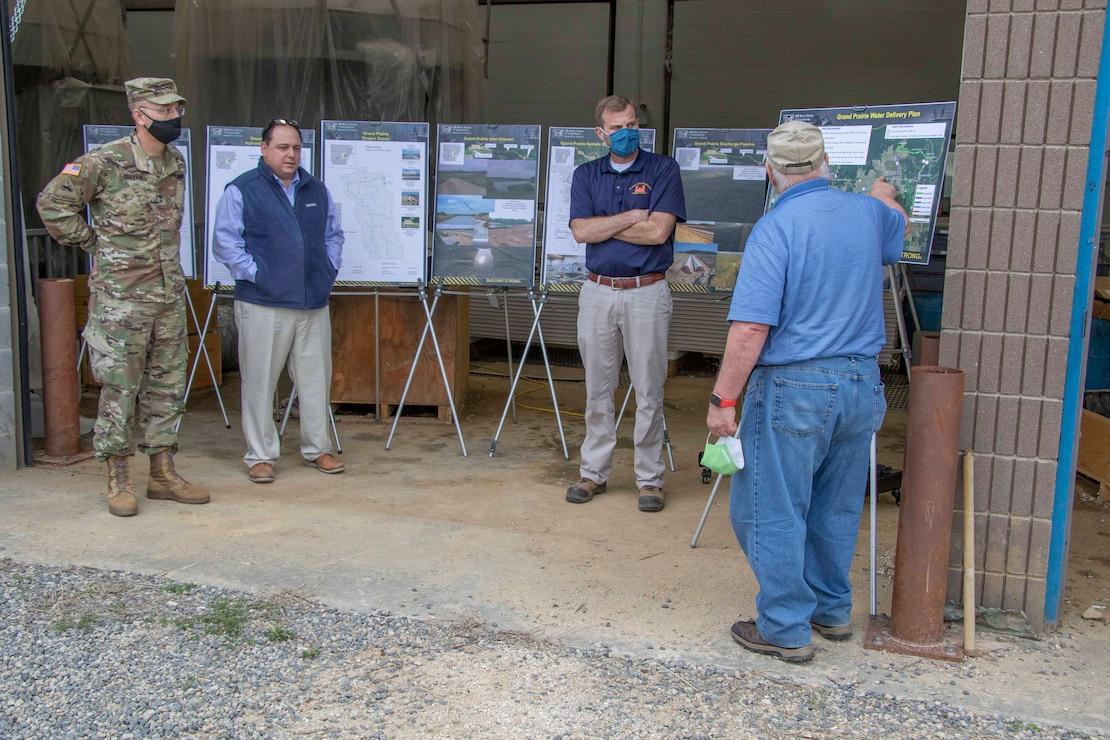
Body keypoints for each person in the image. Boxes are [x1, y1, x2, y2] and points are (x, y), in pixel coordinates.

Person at [706, 120, 908, 662]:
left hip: (795, 385)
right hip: (862, 383)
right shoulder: (869, 214)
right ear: (826, 165)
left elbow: (751, 328)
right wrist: (884, 196)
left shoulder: (776, 227)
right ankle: (831, 609)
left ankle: (783, 627)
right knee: (837, 503)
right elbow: (897, 227)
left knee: (767, 506)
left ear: (770, 172)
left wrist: (724, 401)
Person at [36, 77, 209, 517]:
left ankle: (162, 472)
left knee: (167, 386)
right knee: (120, 388)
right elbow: (52, 204)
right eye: (164, 110)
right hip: (122, 300)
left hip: (167, 295)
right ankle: (117, 476)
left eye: (176, 110)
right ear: (139, 113)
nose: (173, 118)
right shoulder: (103, 162)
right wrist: (95, 244)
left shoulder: (175, 162)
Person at [566, 95, 686, 513]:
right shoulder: (586, 174)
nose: (626, 132)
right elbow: (581, 231)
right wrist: (634, 216)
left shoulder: (662, 169)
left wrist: (606, 226)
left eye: (632, 123)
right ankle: (593, 473)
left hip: (647, 293)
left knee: (649, 390)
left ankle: (649, 479)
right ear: (601, 133)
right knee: (597, 390)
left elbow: (658, 234)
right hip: (597, 292)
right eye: (616, 128)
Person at [212, 119, 345, 483]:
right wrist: (259, 275)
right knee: (260, 381)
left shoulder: (315, 188)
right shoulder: (243, 189)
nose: (290, 154)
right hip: (264, 303)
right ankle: (260, 455)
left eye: (296, 148)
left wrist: (327, 268)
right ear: (264, 149)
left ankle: (319, 449)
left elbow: (333, 234)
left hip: (312, 302)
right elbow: (225, 242)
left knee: (316, 381)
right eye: (283, 147)